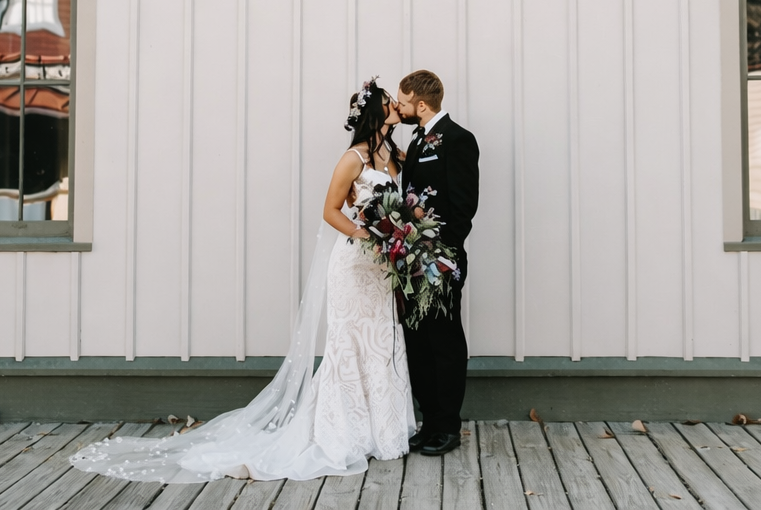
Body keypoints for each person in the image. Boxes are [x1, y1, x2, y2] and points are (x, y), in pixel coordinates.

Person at [68, 81, 414, 485]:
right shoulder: (352, 159)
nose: (395, 105)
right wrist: (364, 234)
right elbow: (330, 210)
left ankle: (382, 430)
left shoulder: (395, 156)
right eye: (389, 101)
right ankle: (344, 432)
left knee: (381, 340)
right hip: (353, 267)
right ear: (375, 113)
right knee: (350, 344)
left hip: (381, 269)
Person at [396, 69, 479, 458]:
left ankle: (447, 426)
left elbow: (463, 207)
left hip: (440, 261)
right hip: (410, 261)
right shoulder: (416, 141)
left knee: (444, 342)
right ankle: (428, 421)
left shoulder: (459, 140)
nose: (399, 108)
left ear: (420, 104)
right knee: (418, 341)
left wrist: (443, 255)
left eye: (403, 102)